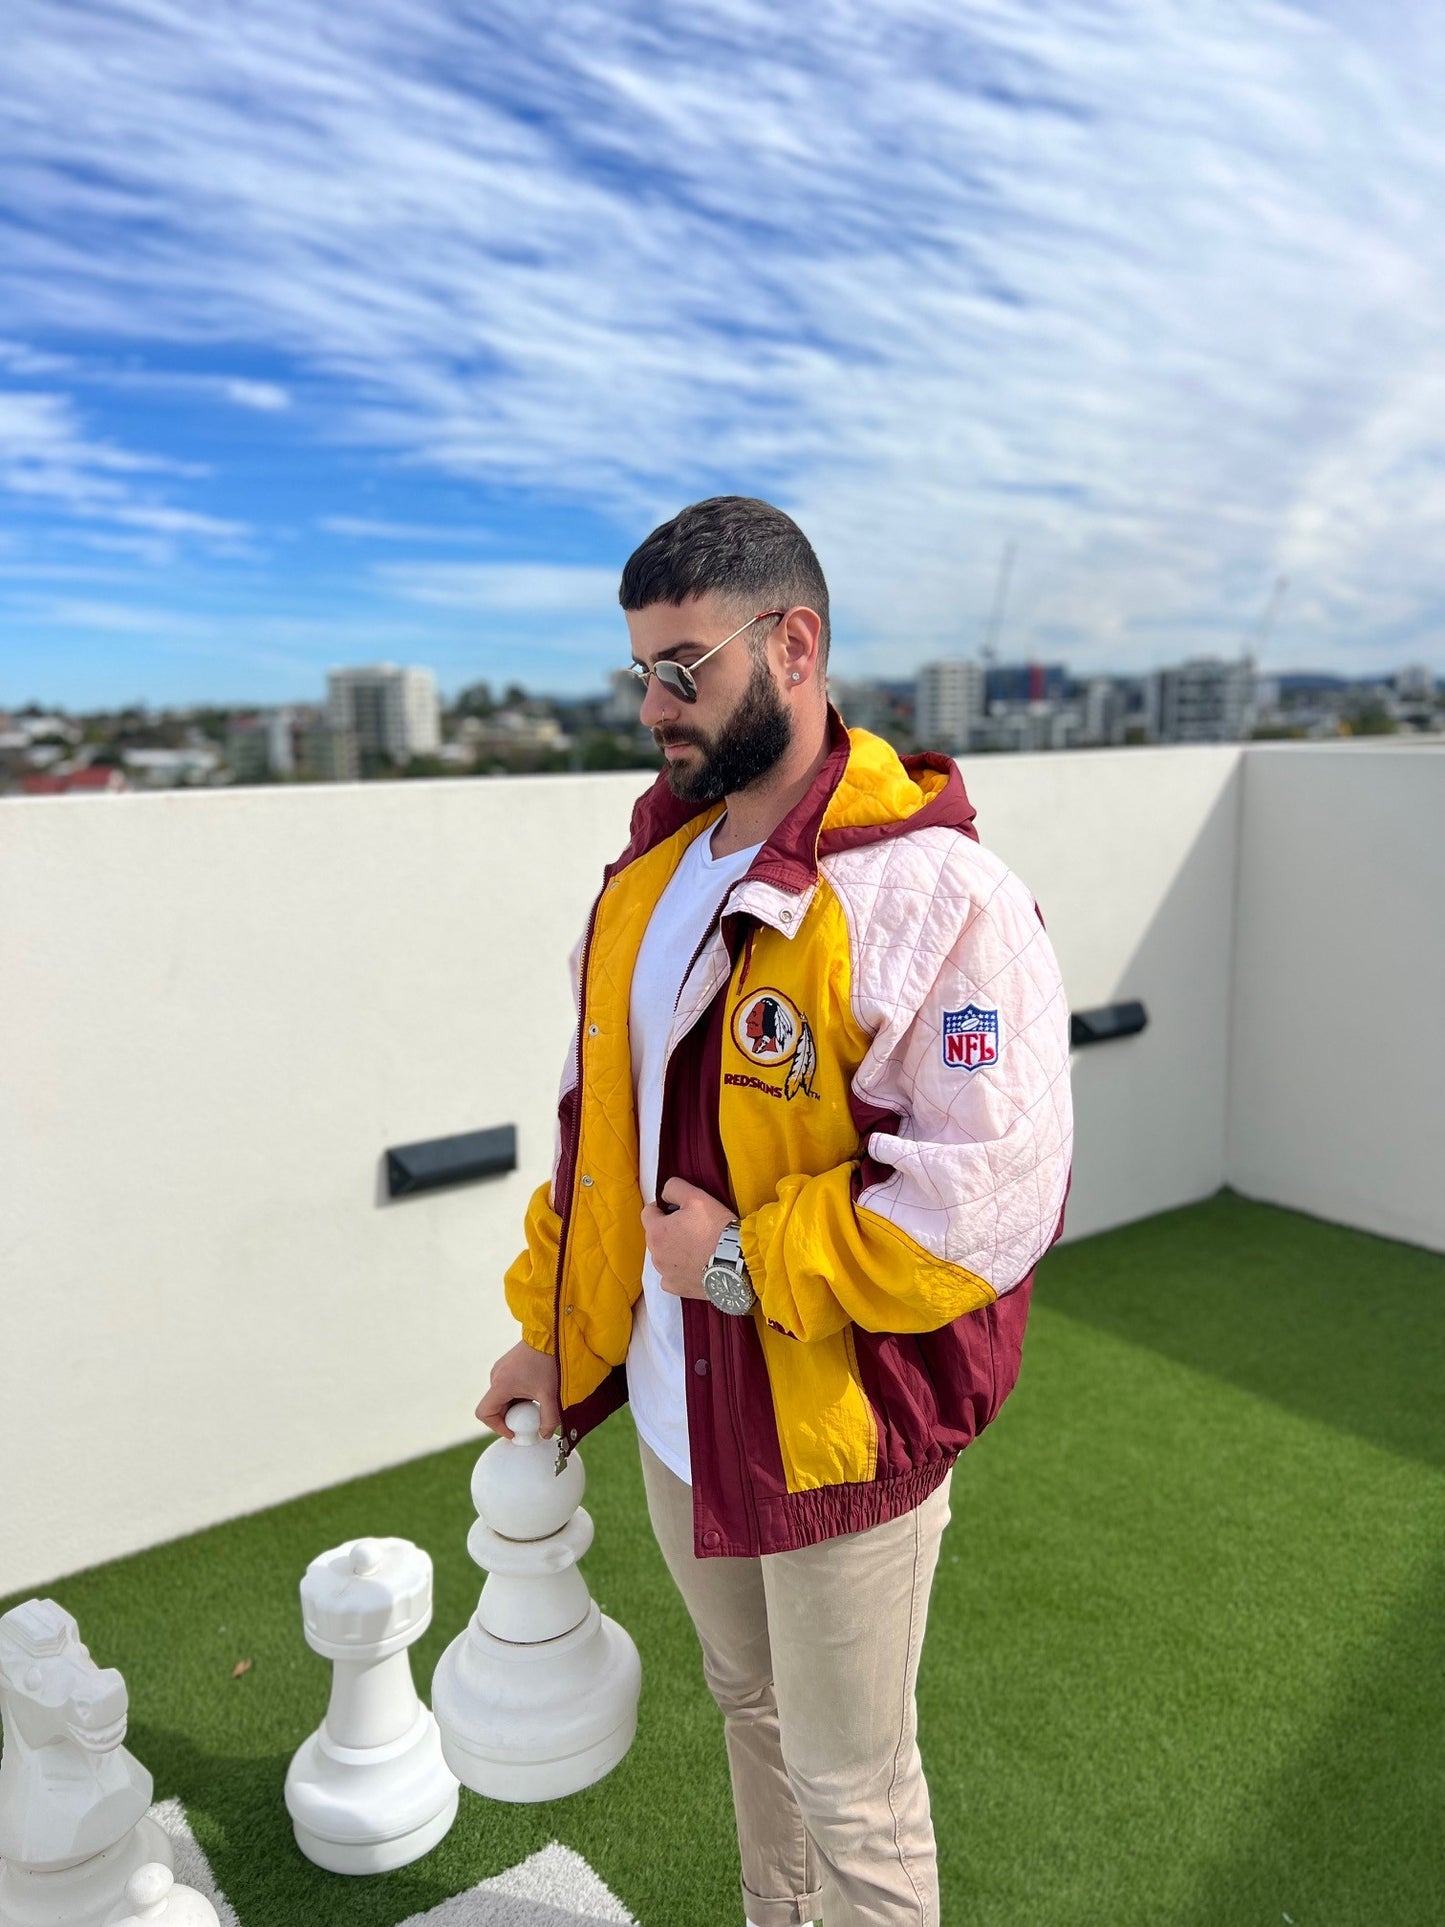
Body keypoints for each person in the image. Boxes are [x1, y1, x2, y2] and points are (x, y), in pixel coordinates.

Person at [477, 496, 1074, 1927]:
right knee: (745, 1711)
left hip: (832, 1434)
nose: (651, 706)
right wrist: (552, 1338)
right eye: (639, 670)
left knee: (853, 1791)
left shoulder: (942, 899)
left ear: (791, 645)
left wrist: (737, 1259)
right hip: (686, 1430)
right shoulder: (648, 879)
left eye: (681, 668)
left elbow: (980, 1204)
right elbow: (596, 1145)